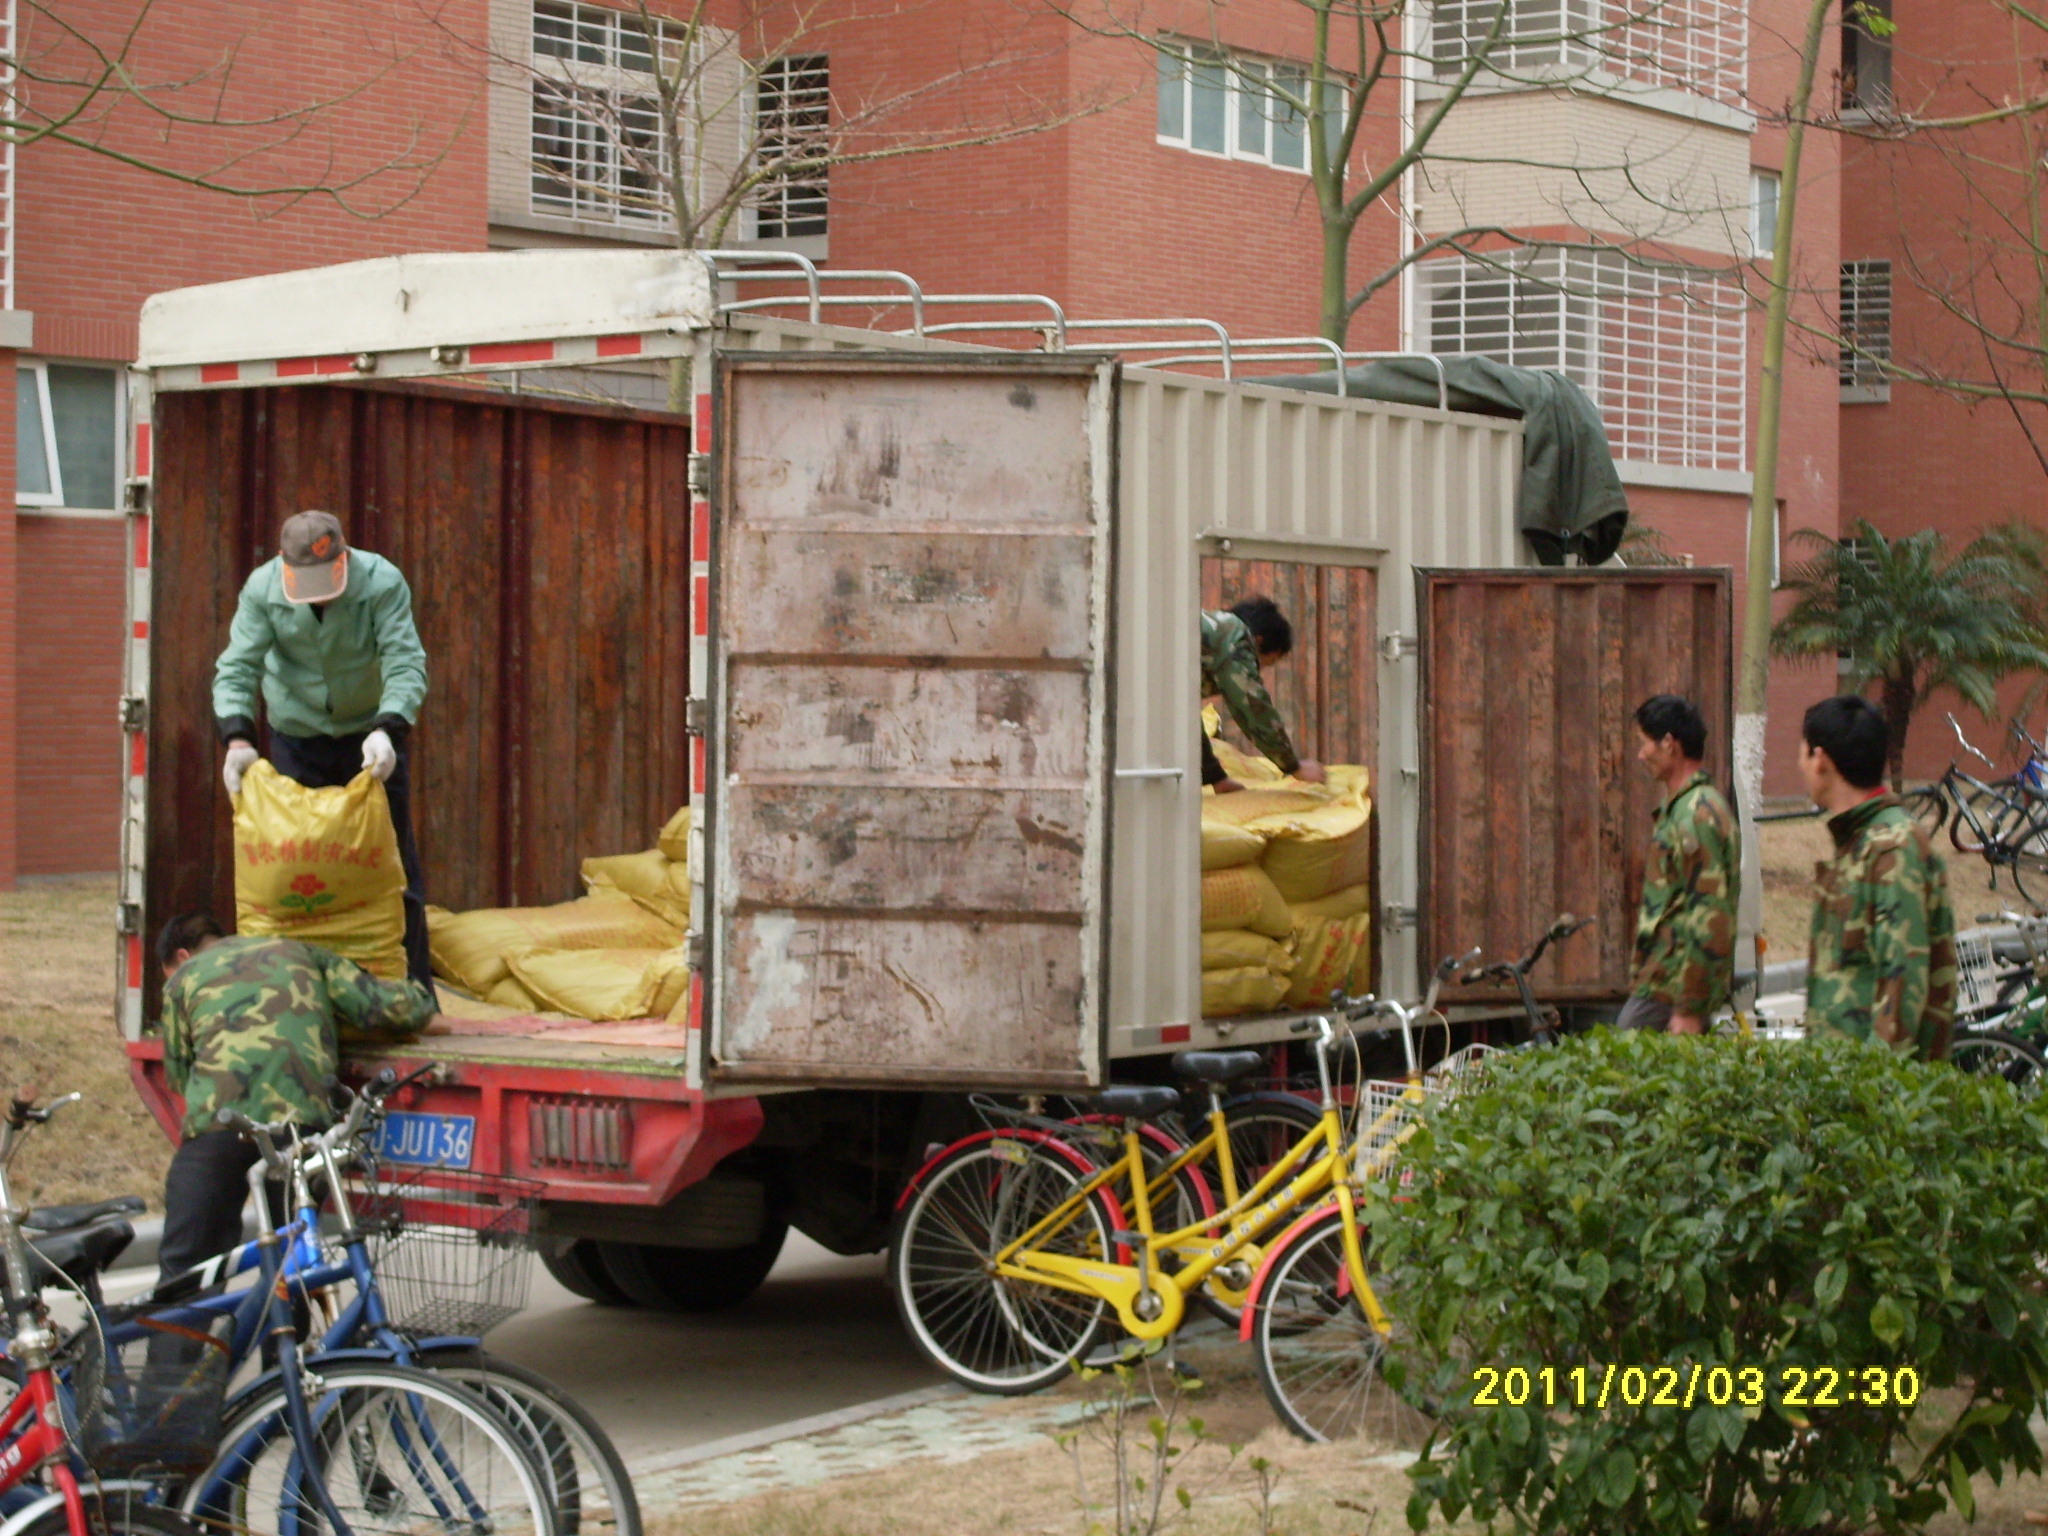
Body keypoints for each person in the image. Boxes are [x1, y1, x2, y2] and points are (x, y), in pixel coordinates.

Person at [153, 912, 441, 1294]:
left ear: (183, 956)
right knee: (294, 1265)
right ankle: (288, 1350)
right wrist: (426, 998)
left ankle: (179, 1350)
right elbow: (388, 1007)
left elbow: (178, 1073)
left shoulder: (183, 979)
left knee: (188, 1273)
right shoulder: (303, 954)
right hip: (300, 1134)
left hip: (218, 1132)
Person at [214, 511, 433, 988]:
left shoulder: (382, 583)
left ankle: (414, 993)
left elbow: (404, 660)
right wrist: (237, 738)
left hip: (370, 741)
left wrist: (389, 727)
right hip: (297, 738)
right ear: (282, 563)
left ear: (345, 556)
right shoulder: (261, 590)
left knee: (393, 868)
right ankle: (294, 991)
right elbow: (237, 668)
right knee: (294, 868)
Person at [1800, 694, 1958, 1059]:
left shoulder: (1892, 846)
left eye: (1803, 753)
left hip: (1873, 1096)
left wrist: (1875, 1092)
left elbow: (1903, 980)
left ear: (1820, 760)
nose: (1800, 765)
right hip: (1844, 1083)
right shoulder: (1861, 840)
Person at [1619, 694, 1739, 1034]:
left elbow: (1709, 914)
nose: (1641, 755)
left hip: (1669, 988)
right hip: (1666, 984)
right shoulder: (1690, 808)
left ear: (1669, 744)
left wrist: (1688, 1006)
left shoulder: (1696, 815)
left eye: (1645, 744)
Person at [1201, 597, 1326, 792]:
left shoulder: (1206, 634)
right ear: (1258, 642)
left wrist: (1216, 778)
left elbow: (1183, 718)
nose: (1256, 672)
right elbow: (1251, 705)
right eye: (1264, 663)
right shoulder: (1234, 634)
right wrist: (1293, 765)